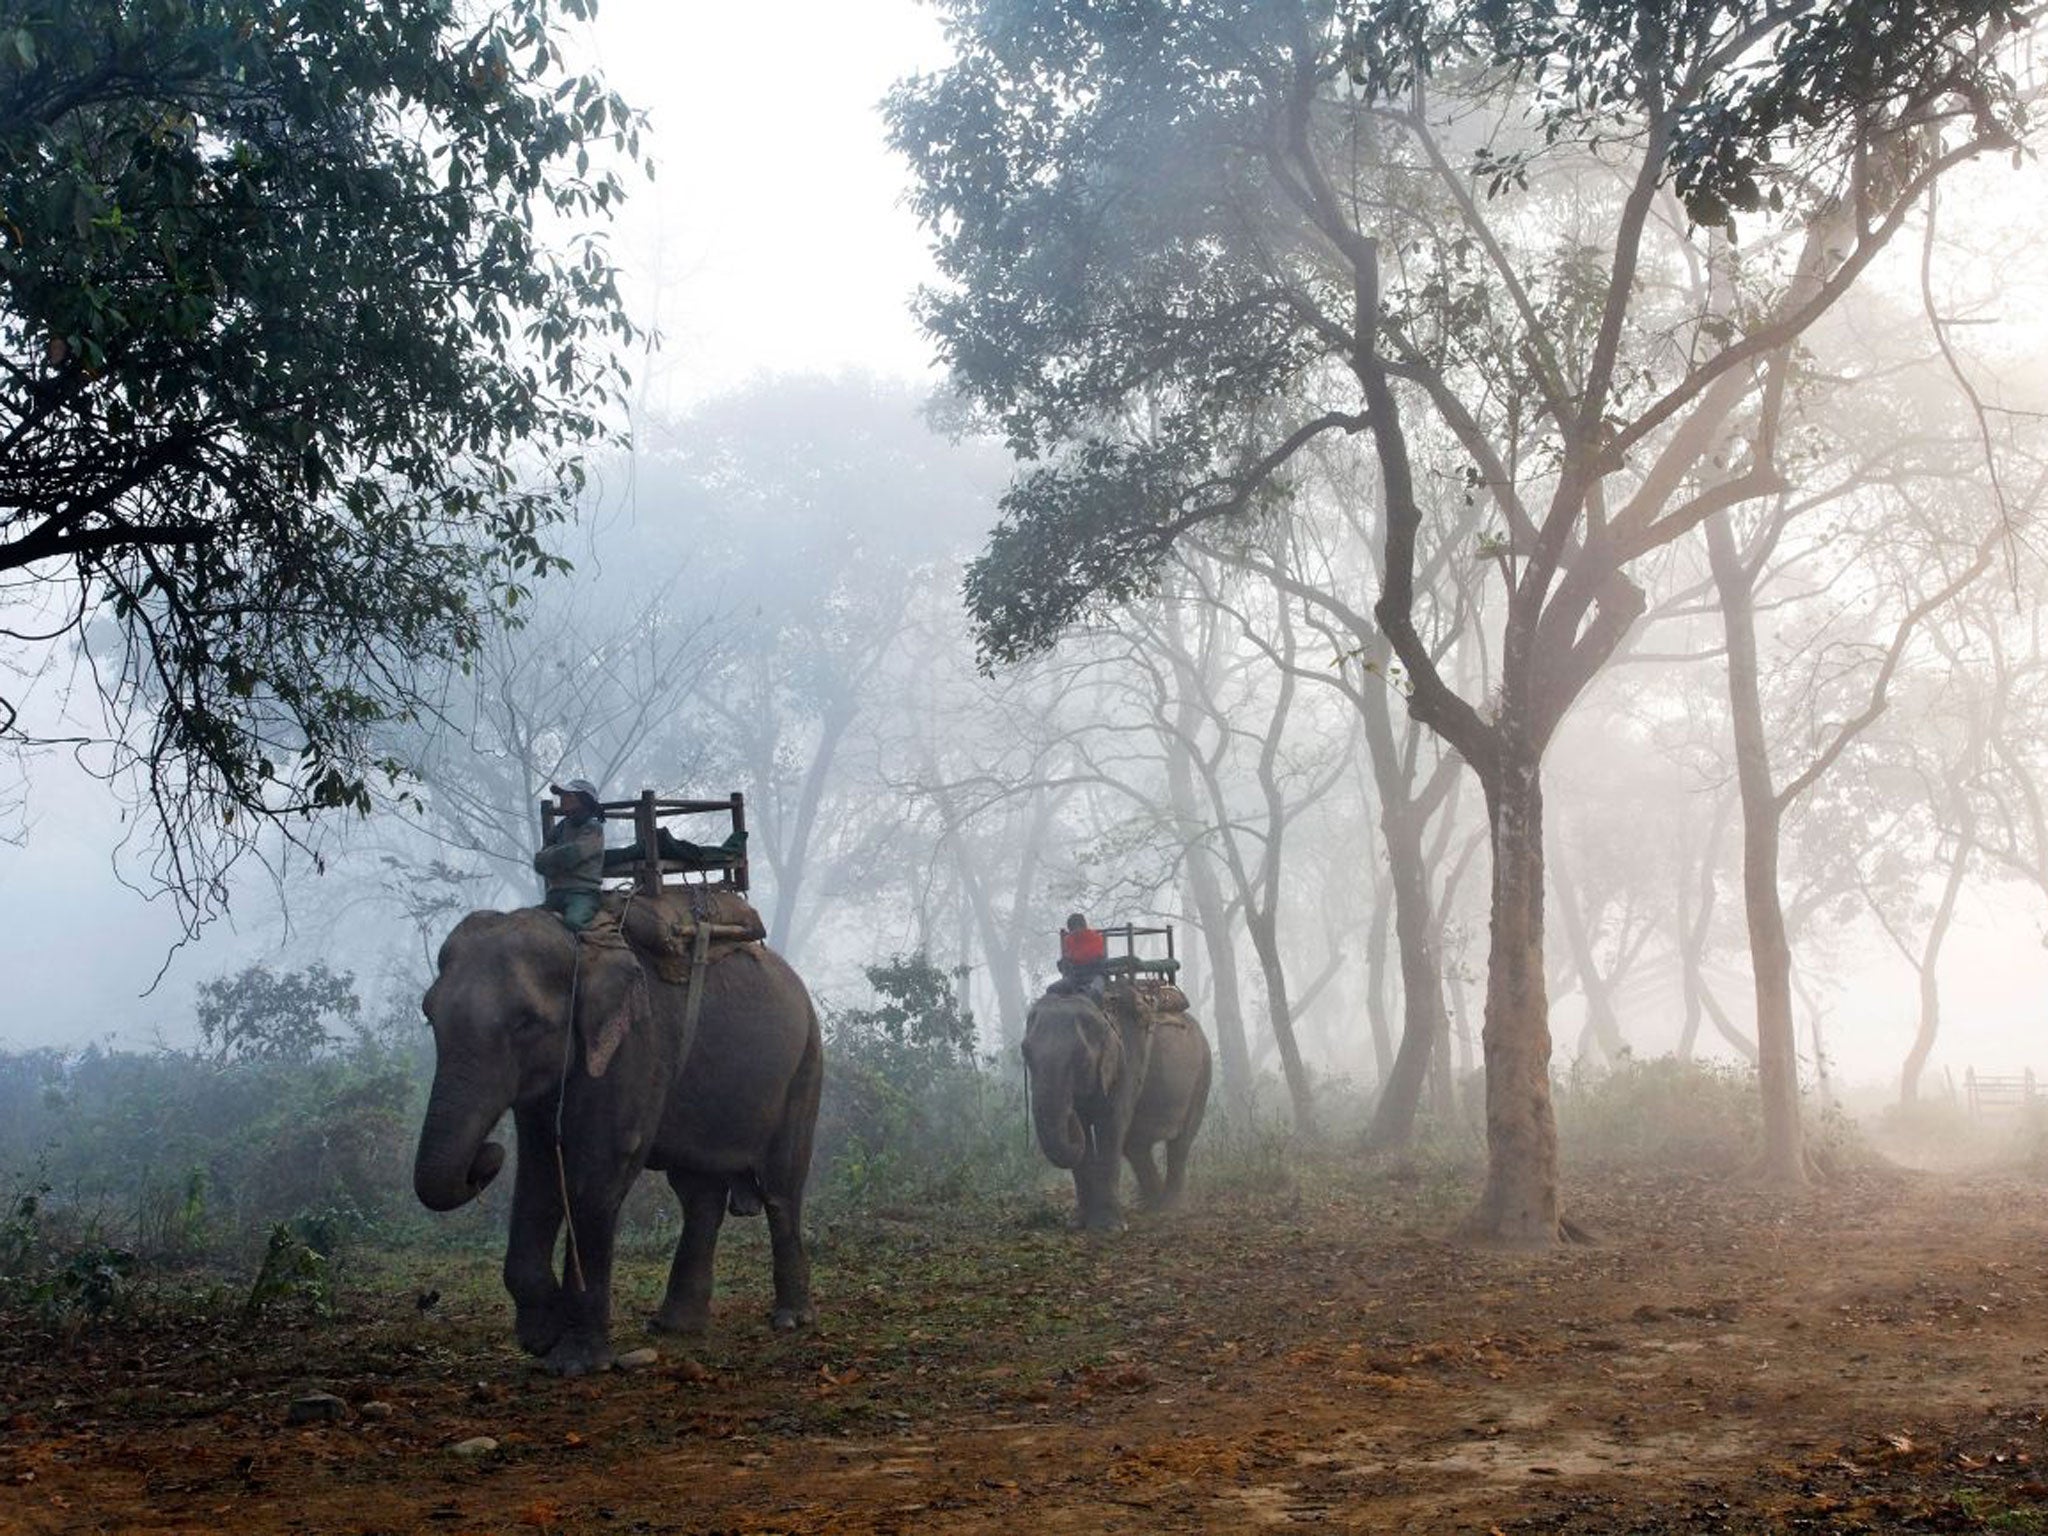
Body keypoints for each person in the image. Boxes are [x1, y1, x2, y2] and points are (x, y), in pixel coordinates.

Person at [535, 778, 607, 931]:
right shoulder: (561, 828)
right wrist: (554, 857)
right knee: (530, 923)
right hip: (555, 893)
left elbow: (573, 854)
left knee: (573, 924)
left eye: (568, 796)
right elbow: (539, 862)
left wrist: (551, 857)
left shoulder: (593, 828)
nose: (562, 799)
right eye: (562, 795)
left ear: (582, 800)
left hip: (583, 894)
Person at [1058, 912, 1107, 996]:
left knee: (1094, 992)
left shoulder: (1095, 938)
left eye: (1076, 927)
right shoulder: (1069, 940)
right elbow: (1067, 959)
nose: (1075, 931)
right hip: (1075, 978)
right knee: (1053, 989)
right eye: (1072, 929)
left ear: (1083, 926)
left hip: (1094, 976)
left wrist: (1072, 960)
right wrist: (1063, 963)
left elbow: (1095, 959)